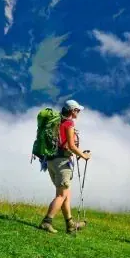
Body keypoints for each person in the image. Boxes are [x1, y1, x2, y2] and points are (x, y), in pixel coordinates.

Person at [39, 99, 91, 234]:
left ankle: (70, 224)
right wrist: (84, 156)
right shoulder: (69, 123)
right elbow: (71, 146)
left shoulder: (57, 122)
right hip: (62, 162)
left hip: (50, 161)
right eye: (78, 110)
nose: (78, 113)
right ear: (73, 111)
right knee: (61, 195)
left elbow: (65, 144)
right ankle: (47, 221)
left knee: (65, 194)